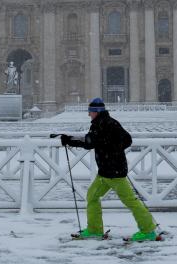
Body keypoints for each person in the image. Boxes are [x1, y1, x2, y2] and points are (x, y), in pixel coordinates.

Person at [60, 98, 157, 242]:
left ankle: (148, 229)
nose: (89, 115)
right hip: (106, 171)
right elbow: (97, 140)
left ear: (96, 112)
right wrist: (71, 139)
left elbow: (92, 142)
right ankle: (94, 229)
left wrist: (112, 151)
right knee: (92, 196)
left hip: (114, 172)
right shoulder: (104, 123)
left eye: (90, 112)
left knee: (130, 200)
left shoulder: (105, 124)